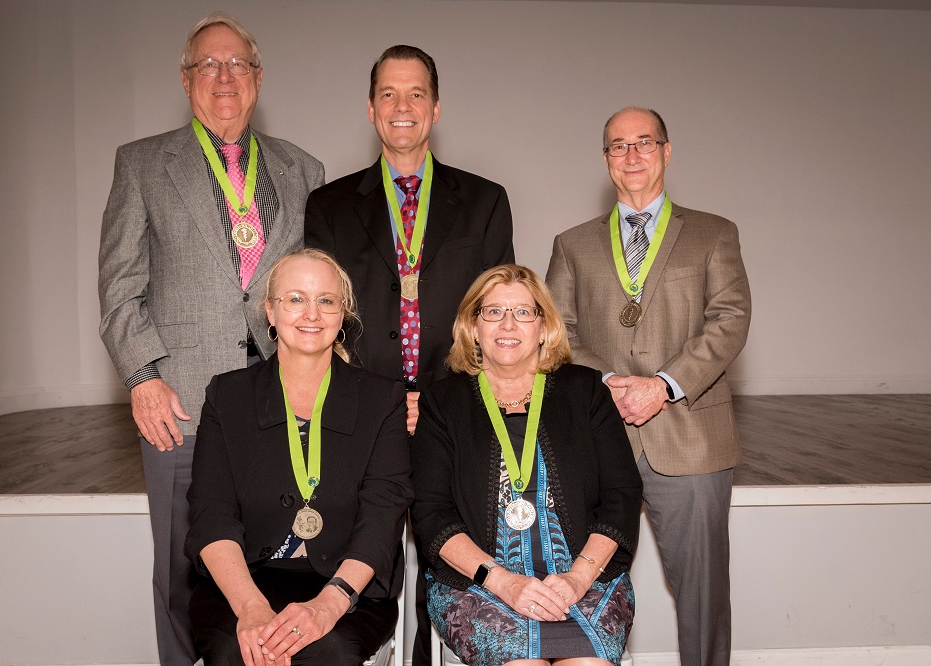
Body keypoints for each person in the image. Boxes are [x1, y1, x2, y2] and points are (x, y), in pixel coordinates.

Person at [97, 12, 324, 663]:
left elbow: (321, 288)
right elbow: (119, 288)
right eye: (209, 65)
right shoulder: (142, 165)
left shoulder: (303, 169)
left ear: (257, 78)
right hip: (182, 404)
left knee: (277, 562)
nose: (224, 77)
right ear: (186, 78)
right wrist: (143, 380)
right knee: (181, 568)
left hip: (280, 405)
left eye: (237, 65)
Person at [304, 44, 515, 664]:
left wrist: (437, 398)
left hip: (455, 409)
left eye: (416, 94)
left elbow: (496, 313)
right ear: (371, 110)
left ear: (436, 108)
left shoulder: (485, 200)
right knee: (367, 558)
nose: (403, 107)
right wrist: (385, 402)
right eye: (390, 95)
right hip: (362, 410)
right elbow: (322, 317)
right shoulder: (331, 205)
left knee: (450, 558)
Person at [546, 107, 752, 666]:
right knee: (578, 578)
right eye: (618, 146)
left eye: (644, 143)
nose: (631, 155)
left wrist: (664, 384)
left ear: (667, 151)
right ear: (606, 159)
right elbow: (556, 328)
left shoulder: (713, 233)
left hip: (690, 438)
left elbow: (730, 318)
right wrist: (608, 380)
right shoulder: (573, 244)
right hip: (596, 436)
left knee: (703, 591)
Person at [185, 248, 413, 666]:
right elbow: (211, 514)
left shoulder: (383, 398)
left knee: (326, 651)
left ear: (342, 315)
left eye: (326, 300)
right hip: (244, 581)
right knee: (238, 651)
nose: (311, 313)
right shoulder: (227, 395)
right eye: (295, 299)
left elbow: (383, 513)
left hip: (347, 586)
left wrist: (329, 605)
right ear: (269, 312)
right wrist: (251, 608)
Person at [411, 264, 643, 666]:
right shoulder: (442, 402)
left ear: (544, 327)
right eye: (493, 311)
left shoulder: (585, 391)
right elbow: (431, 513)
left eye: (523, 312)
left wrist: (577, 578)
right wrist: (504, 582)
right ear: (473, 326)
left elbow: (622, 495)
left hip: (583, 580)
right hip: (478, 584)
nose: (508, 324)